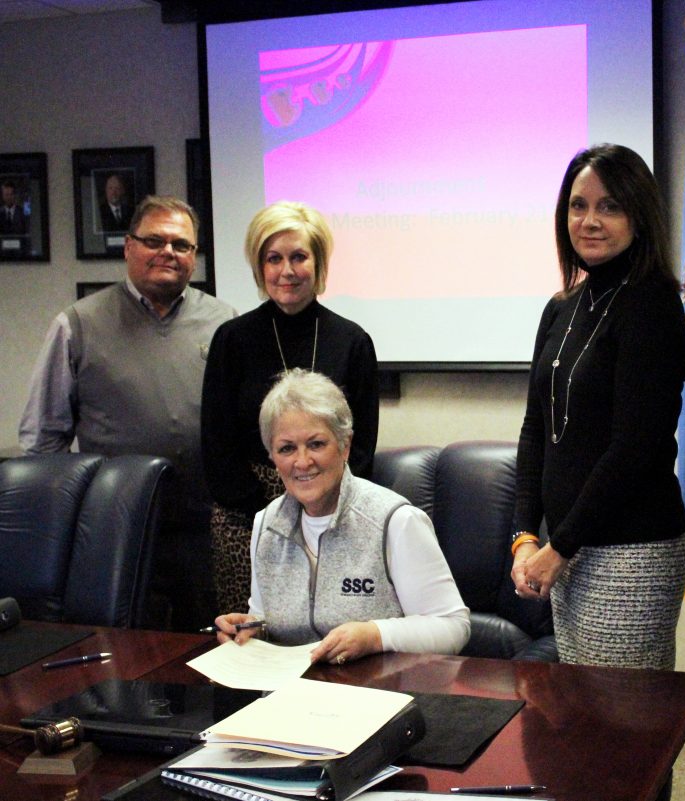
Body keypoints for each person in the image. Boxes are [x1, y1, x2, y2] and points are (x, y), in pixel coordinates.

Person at [510, 143, 685, 670]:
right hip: (568, 548)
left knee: (620, 726)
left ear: (639, 214)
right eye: (577, 205)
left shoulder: (652, 304)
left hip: (632, 552)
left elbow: (636, 446)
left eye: (609, 206)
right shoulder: (562, 307)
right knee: (584, 720)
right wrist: (526, 536)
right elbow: (533, 430)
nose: (589, 221)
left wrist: (559, 547)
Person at [19, 195, 236, 631]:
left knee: (209, 654)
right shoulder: (78, 324)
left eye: (181, 245)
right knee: (127, 653)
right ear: (128, 247)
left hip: (203, 528)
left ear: (194, 256)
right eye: (154, 240)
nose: (168, 253)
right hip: (117, 530)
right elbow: (43, 440)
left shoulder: (224, 322)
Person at [213, 369, 469, 662]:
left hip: (377, 695)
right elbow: (265, 618)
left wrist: (375, 635)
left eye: (316, 444)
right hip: (290, 697)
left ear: (345, 445)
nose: (302, 462)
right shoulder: (266, 524)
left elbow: (453, 628)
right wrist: (251, 630)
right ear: (272, 457)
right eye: (286, 449)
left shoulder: (396, 521)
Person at [202, 201, 380, 615]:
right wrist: (265, 510)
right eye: (273, 258)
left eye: (299, 256)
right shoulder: (232, 338)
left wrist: (321, 506)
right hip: (245, 516)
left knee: (327, 633)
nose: (286, 271)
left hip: (333, 512)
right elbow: (217, 441)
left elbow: (363, 444)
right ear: (259, 267)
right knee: (252, 639)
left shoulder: (352, 341)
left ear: (318, 263)